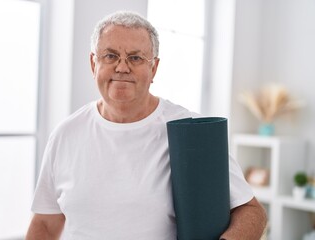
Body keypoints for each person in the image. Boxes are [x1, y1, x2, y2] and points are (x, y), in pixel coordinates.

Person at [26, 11, 267, 240]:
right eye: (110, 56)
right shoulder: (65, 135)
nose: (122, 67)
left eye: (135, 57)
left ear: (153, 68)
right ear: (93, 63)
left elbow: (252, 211)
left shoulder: (189, 132)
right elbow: (46, 224)